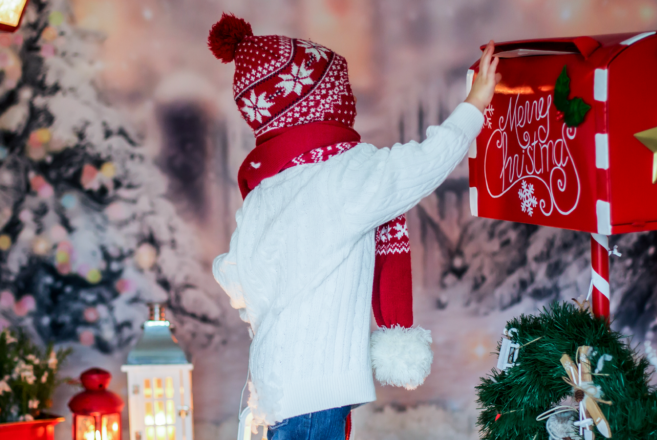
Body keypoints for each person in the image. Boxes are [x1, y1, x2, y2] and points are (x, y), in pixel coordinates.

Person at [209, 12, 500, 440]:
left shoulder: (263, 191)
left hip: (274, 387)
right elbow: (419, 166)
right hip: (315, 396)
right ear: (323, 103)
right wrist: (473, 106)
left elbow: (233, 273)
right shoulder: (341, 178)